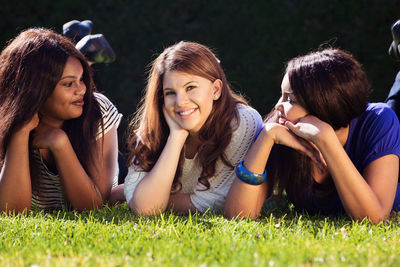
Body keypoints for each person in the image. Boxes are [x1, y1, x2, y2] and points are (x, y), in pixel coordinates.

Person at [225, 48, 400, 224]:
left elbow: (374, 218)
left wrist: (326, 140)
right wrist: (266, 136)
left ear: (324, 106)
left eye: (290, 100)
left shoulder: (378, 120)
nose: (278, 106)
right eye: (281, 95)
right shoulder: (279, 127)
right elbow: (238, 215)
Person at [124, 41, 263, 215]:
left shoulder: (241, 122)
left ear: (216, 90)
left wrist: (154, 196)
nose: (180, 102)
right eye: (170, 93)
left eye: (190, 87)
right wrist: (176, 137)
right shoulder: (157, 123)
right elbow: (145, 208)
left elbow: (215, 201)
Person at [0, 28, 122, 213]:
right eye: (68, 83)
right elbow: (12, 212)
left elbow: (92, 206)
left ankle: (83, 42)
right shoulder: (6, 120)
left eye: (81, 79)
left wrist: (60, 143)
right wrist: (20, 133)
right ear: (35, 90)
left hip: (106, 156)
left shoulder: (98, 110)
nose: (81, 89)